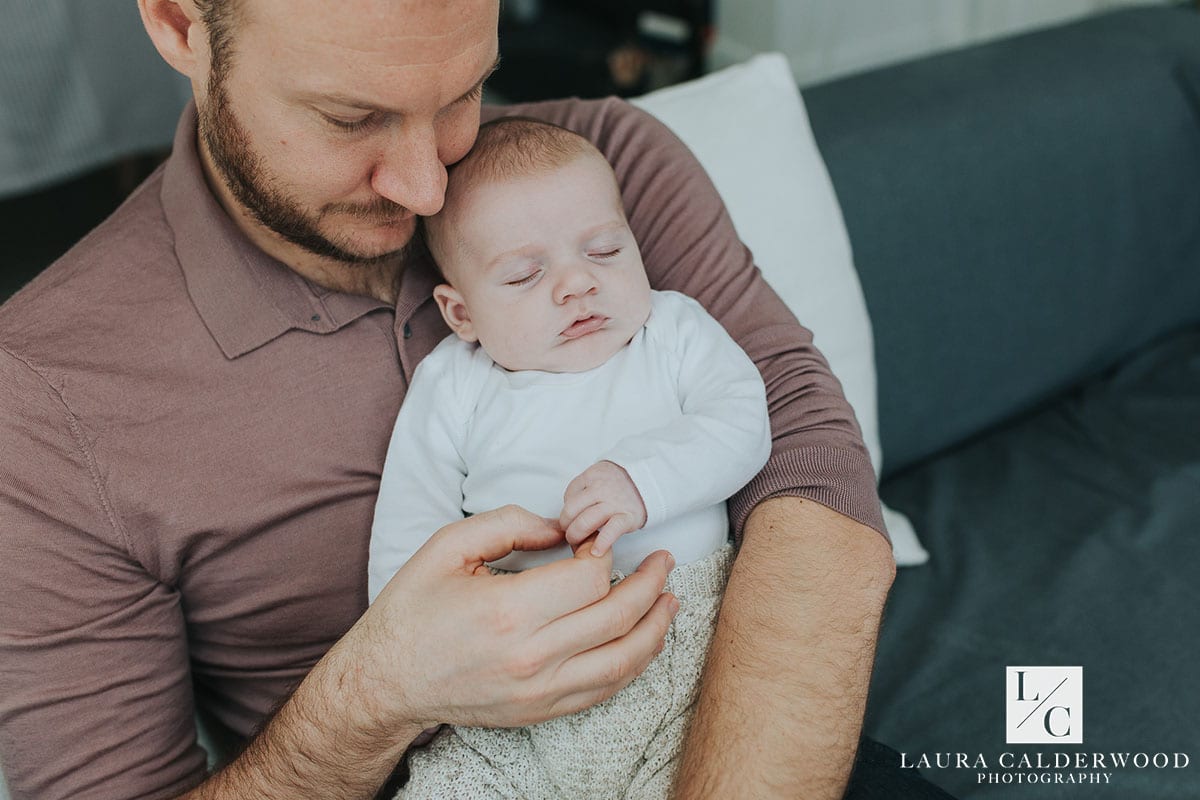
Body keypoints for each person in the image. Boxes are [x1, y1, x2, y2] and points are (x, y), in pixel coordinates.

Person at [0, 1, 953, 798]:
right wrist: (382, 691)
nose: (424, 186)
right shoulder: (44, 400)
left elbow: (809, 476)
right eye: (348, 117)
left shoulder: (600, 165)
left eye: (462, 93)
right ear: (176, 22)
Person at [368, 116, 772, 798]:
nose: (577, 284)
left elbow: (742, 423)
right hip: (515, 688)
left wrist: (643, 479)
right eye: (526, 275)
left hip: (680, 645)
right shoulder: (455, 381)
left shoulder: (671, 332)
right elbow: (411, 524)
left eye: (606, 251)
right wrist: (419, 655)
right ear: (461, 313)